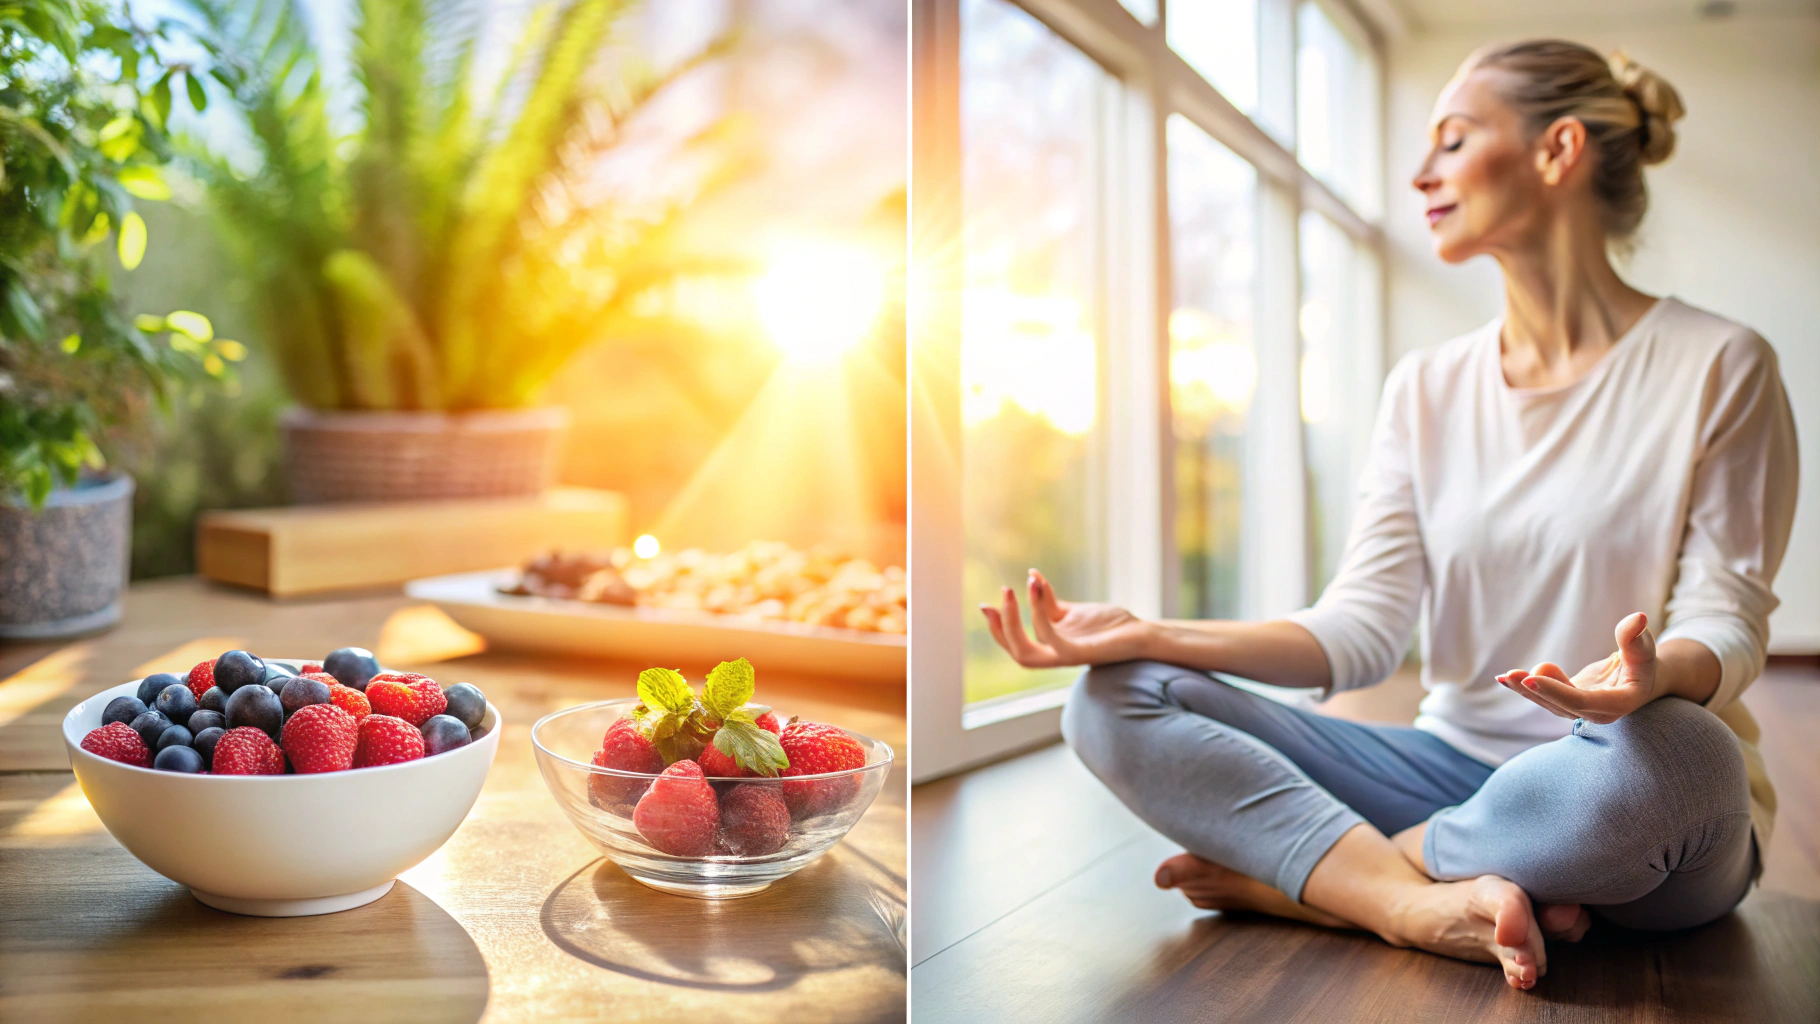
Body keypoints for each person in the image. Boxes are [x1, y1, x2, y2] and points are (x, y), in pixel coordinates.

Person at [980, 39, 1798, 990]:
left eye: (1453, 140)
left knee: (1685, 764)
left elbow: (1726, 617)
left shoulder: (1721, 364)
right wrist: (1153, 631)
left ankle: (1319, 880)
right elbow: (1361, 631)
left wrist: (1654, 681)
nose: (1422, 173)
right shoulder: (1427, 388)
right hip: (1450, 766)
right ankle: (1404, 899)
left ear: (1557, 149)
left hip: (1616, 784)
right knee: (1115, 697)